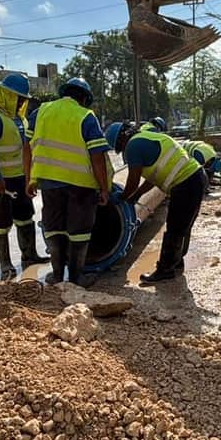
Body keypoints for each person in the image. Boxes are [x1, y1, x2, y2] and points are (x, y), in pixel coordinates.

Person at [27, 77, 112, 287]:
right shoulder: (85, 116)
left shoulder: (40, 112)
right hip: (80, 184)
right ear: (84, 98)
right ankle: (76, 278)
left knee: (54, 228)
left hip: (48, 182)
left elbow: (26, 146)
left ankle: (57, 275)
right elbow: (97, 156)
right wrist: (104, 188)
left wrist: (30, 178)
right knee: (79, 231)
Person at [105, 121, 206, 283]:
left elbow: (133, 180)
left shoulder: (132, 146)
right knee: (183, 226)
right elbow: (152, 178)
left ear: (121, 139)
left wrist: (122, 197)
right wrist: (137, 195)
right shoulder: (146, 138)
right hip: (195, 178)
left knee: (175, 227)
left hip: (186, 183)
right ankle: (176, 263)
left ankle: (165, 270)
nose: (122, 151)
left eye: (119, 147)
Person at [0, 73, 48, 281]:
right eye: (19, 98)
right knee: (0, 222)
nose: (22, 103)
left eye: (24, 100)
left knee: (25, 217)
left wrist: (30, 178)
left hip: (19, 178)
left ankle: (30, 256)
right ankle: (5, 264)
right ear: (7, 95)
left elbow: (25, 149)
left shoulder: (18, 118)